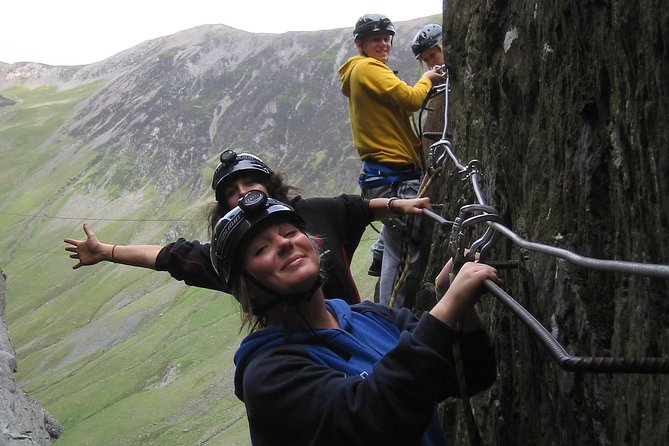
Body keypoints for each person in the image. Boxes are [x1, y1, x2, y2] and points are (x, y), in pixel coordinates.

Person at [210, 190, 499, 446]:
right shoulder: (267, 378)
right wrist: (447, 308)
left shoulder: (373, 317)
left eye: (289, 233)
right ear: (247, 289)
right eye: (261, 249)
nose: (284, 244)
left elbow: (471, 375)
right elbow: (371, 422)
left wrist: (460, 306)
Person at [64, 150, 432, 305]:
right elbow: (167, 256)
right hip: (302, 354)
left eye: (249, 184)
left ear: (268, 186)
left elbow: (360, 207)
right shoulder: (231, 254)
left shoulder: (318, 212)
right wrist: (106, 252)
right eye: (230, 192)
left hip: (357, 329)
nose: (242, 194)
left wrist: (401, 204)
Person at [338, 13, 445, 309]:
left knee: (395, 249)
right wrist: (426, 79)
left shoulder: (361, 71)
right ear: (360, 43)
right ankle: (390, 320)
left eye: (386, 38)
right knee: (405, 258)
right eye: (376, 39)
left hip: (385, 176)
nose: (384, 44)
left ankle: (379, 247)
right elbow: (411, 100)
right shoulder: (368, 69)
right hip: (395, 177)